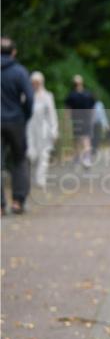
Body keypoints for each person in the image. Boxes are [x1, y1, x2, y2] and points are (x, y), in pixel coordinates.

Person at [1, 37, 34, 214]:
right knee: (19, 160)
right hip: (15, 121)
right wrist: (25, 115)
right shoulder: (19, 72)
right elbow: (29, 98)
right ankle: (17, 201)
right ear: (13, 52)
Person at [27, 71, 58, 191]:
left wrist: (54, 130)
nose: (35, 84)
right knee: (31, 154)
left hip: (44, 129)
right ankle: (31, 176)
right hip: (30, 128)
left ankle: (41, 179)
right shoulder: (27, 96)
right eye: (33, 82)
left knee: (44, 155)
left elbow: (52, 114)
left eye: (37, 82)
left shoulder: (47, 96)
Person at [64, 74, 95, 168]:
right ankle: (83, 158)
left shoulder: (73, 95)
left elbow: (67, 109)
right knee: (83, 139)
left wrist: (66, 120)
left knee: (80, 140)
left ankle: (82, 158)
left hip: (80, 119)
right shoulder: (85, 94)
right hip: (81, 119)